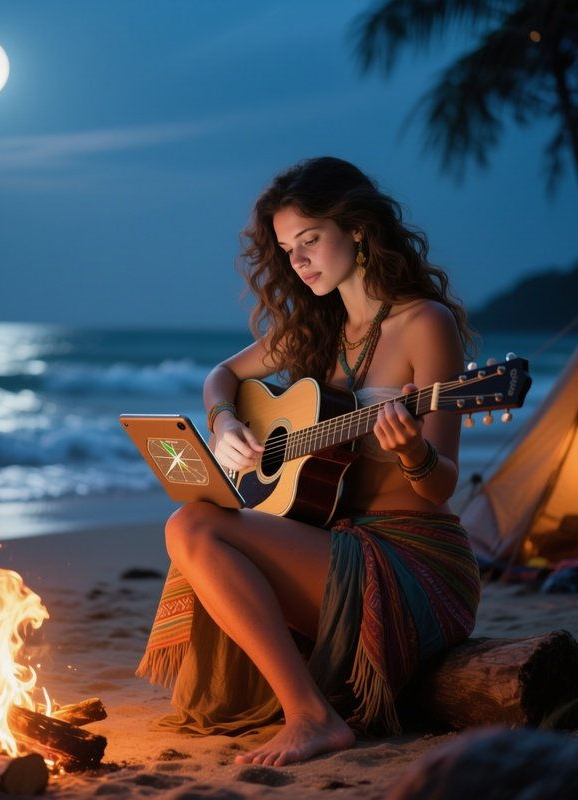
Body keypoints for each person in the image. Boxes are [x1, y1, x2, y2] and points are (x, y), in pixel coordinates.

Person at [136, 156, 481, 767]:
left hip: (412, 562)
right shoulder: (317, 329)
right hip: (333, 546)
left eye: (310, 240)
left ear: (356, 228)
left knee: (191, 524)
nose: (298, 261)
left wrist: (413, 452)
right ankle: (308, 707)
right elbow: (222, 375)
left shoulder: (425, 324)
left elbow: (441, 485)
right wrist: (226, 422)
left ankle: (311, 716)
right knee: (195, 516)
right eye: (288, 248)